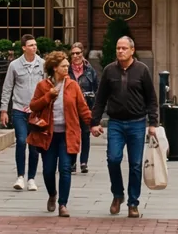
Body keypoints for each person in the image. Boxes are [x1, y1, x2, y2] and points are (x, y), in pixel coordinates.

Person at [90, 34, 159, 218]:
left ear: (132, 50)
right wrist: (94, 122)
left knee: (136, 164)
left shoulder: (142, 70)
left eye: (124, 48)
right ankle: (117, 195)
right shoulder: (109, 71)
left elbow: (151, 98)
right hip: (116, 124)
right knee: (113, 159)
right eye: (118, 48)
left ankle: (133, 203)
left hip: (137, 123)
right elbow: (100, 98)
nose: (120, 51)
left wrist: (153, 123)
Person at [29, 49, 92, 217]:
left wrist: (93, 124)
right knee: (49, 170)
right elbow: (34, 106)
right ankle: (52, 194)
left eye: (67, 65)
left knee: (65, 168)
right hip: (48, 135)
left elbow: (83, 108)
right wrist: (48, 96)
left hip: (67, 134)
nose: (67, 68)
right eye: (64, 66)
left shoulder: (73, 86)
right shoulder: (43, 86)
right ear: (55, 68)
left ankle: (62, 204)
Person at [0, 36, 45, 191]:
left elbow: (47, 87)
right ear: (24, 48)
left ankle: (31, 178)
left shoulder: (42, 64)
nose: (34, 47)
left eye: (35, 45)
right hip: (19, 109)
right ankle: (20, 176)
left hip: (36, 111)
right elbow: (7, 88)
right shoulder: (14, 65)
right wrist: (3, 109)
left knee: (33, 145)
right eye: (31, 45)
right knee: (21, 140)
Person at [68, 44, 98, 173]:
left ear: (82, 54)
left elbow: (96, 89)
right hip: (71, 108)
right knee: (73, 134)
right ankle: (72, 162)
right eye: (73, 53)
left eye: (78, 53)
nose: (75, 56)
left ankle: (84, 162)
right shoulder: (67, 70)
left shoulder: (90, 71)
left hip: (86, 106)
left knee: (85, 134)